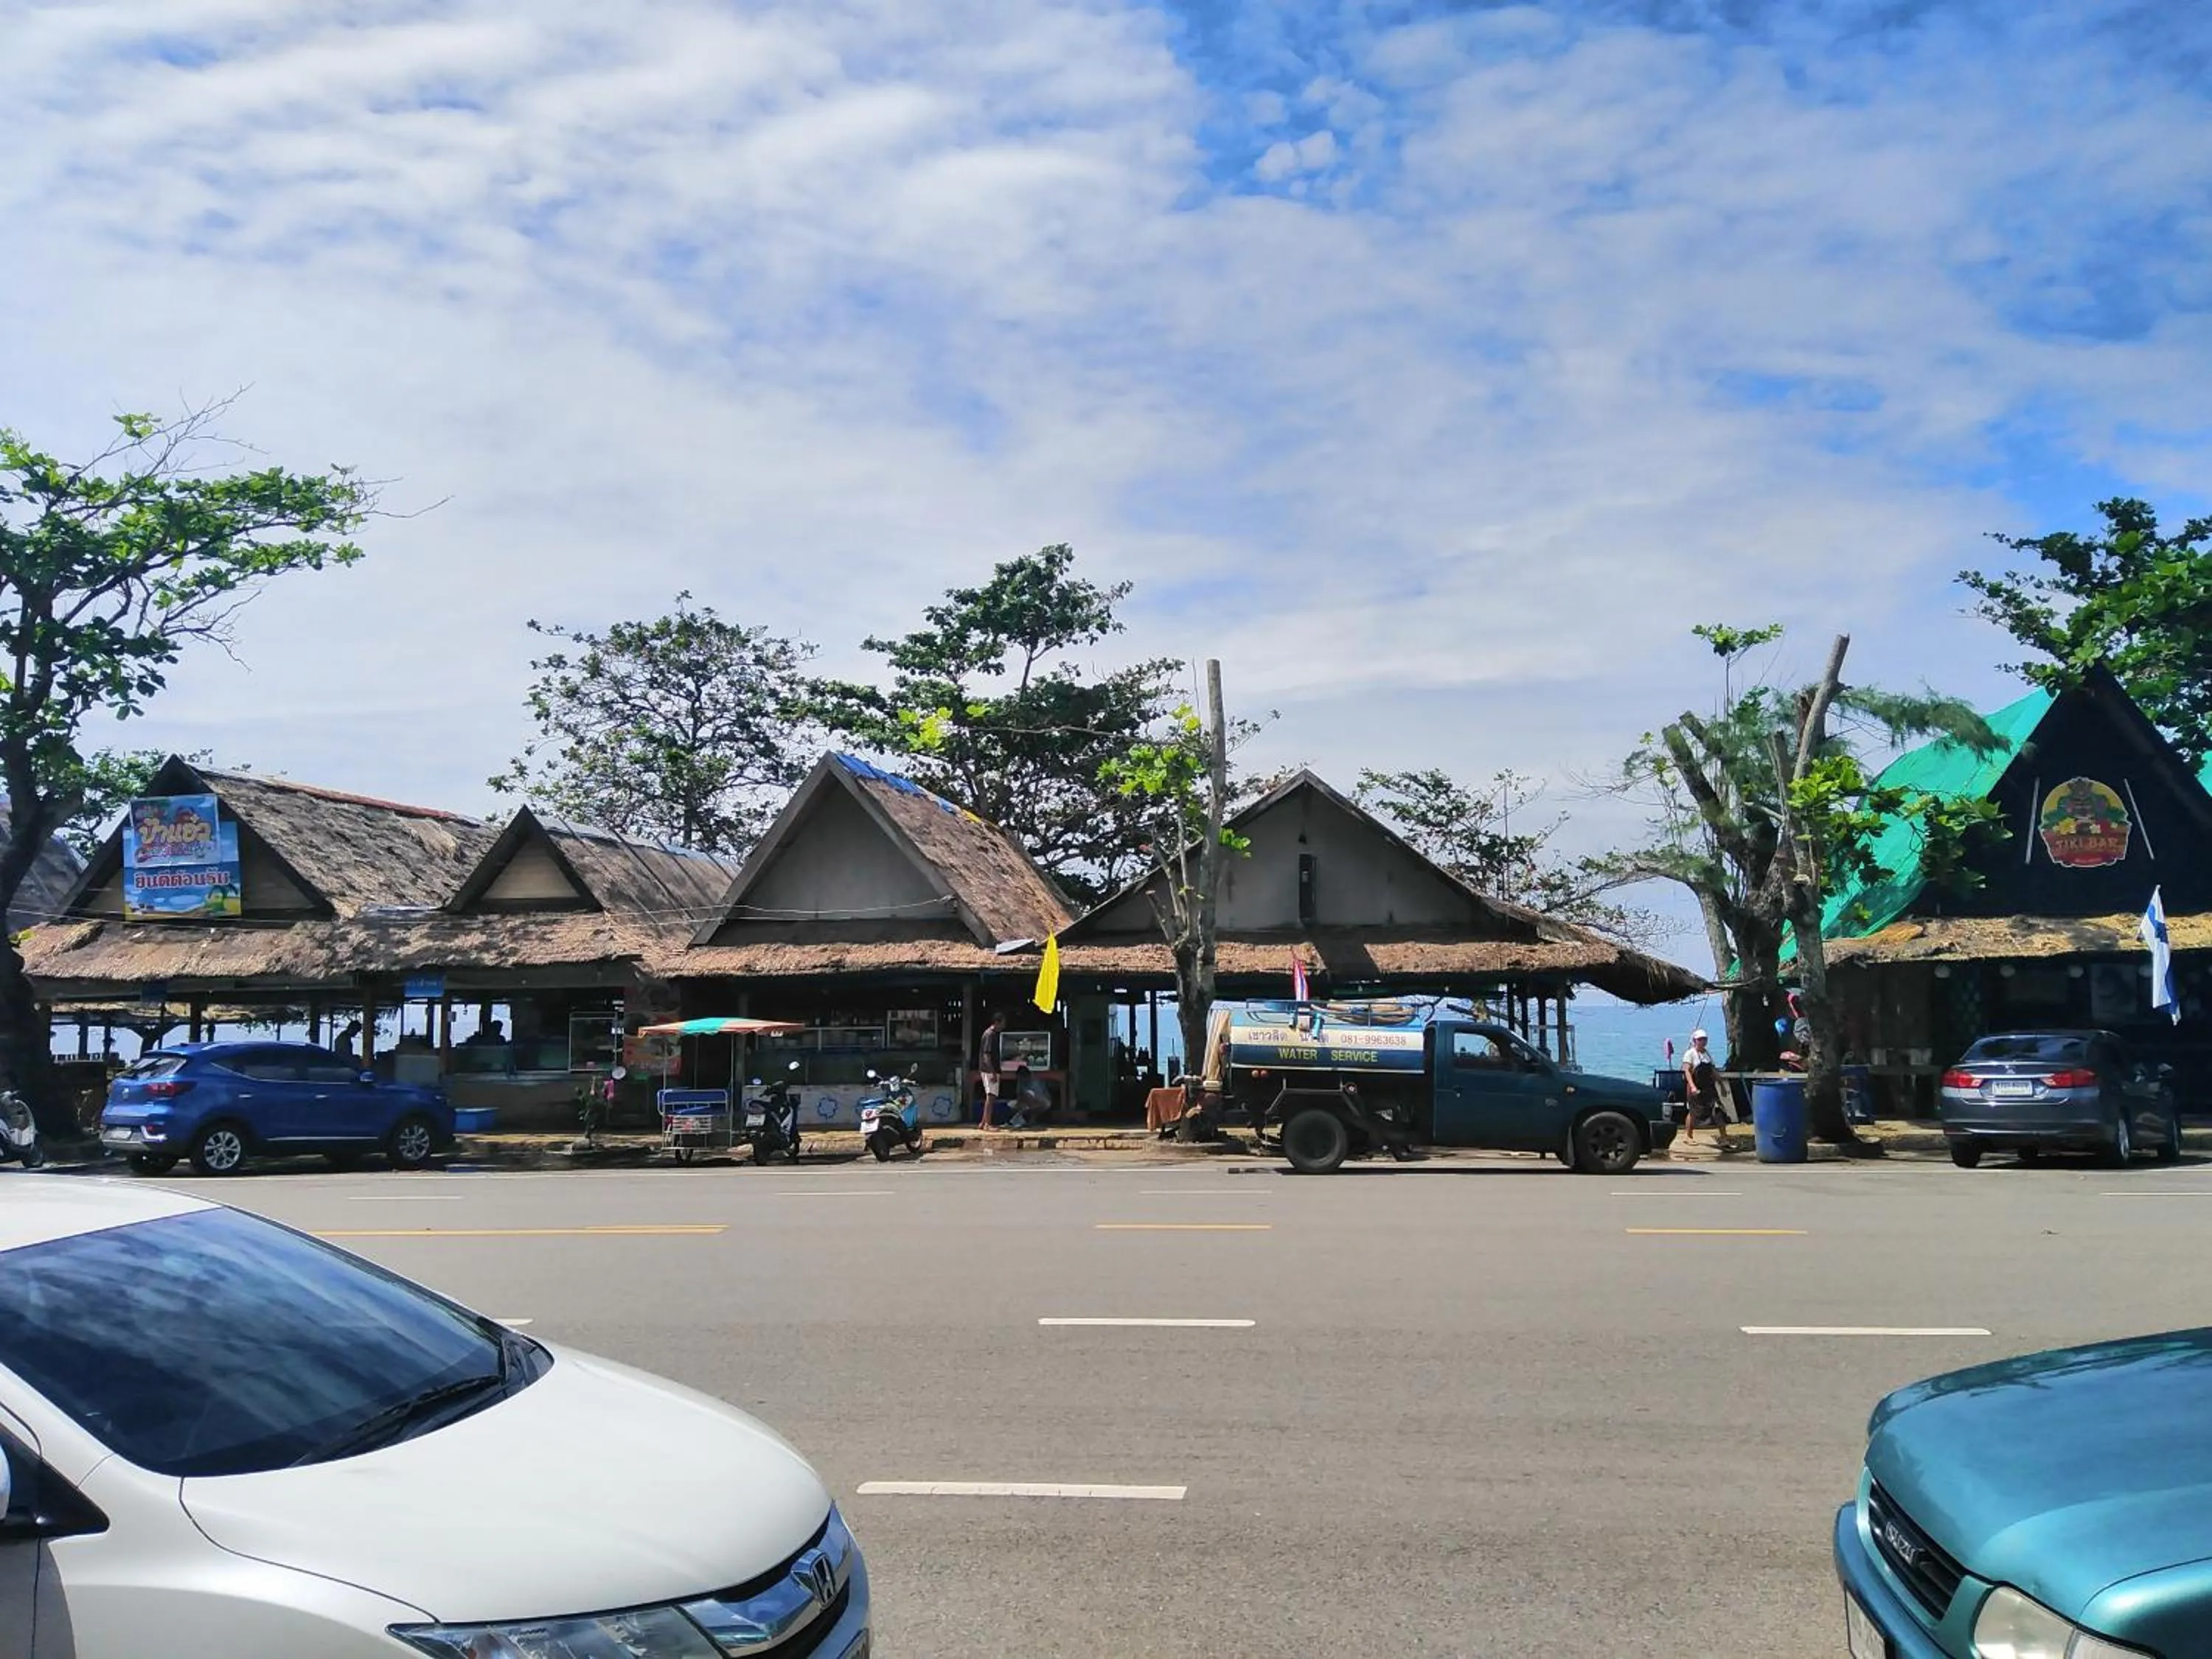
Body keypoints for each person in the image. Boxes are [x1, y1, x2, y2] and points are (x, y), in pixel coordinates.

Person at [1682, 1029, 1736, 1153]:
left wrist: (1722, 1085)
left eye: (1705, 1039)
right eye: (1700, 1039)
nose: (1703, 1041)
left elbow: (1713, 1071)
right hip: (1696, 1088)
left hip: (1709, 1089)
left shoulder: (1707, 1054)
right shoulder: (1690, 1054)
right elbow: (1687, 1072)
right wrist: (1693, 1087)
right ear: (1695, 1041)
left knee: (1718, 1110)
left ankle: (1724, 1139)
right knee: (1693, 1112)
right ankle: (1688, 1136)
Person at [1004, 1064, 1056, 1130]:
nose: (1020, 1079)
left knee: (1029, 1096)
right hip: (1027, 1102)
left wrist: (1026, 1108)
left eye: (1021, 1078)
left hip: (1043, 1102)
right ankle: (1018, 1120)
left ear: (1026, 1076)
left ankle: (1031, 1120)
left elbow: (1035, 1097)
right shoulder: (1021, 1081)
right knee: (1010, 1104)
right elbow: (1019, 1095)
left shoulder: (1035, 1081)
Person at [977, 1013, 1004, 1130]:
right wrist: (992, 1072)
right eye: (1003, 1022)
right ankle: (988, 1124)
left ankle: (983, 1122)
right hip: (989, 1070)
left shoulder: (992, 1034)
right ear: (997, 1022)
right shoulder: (990, 1035)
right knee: (991, 1096)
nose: (1004, 1025)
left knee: (991, 1096)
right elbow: (987, 1056)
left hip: (990, 1069)